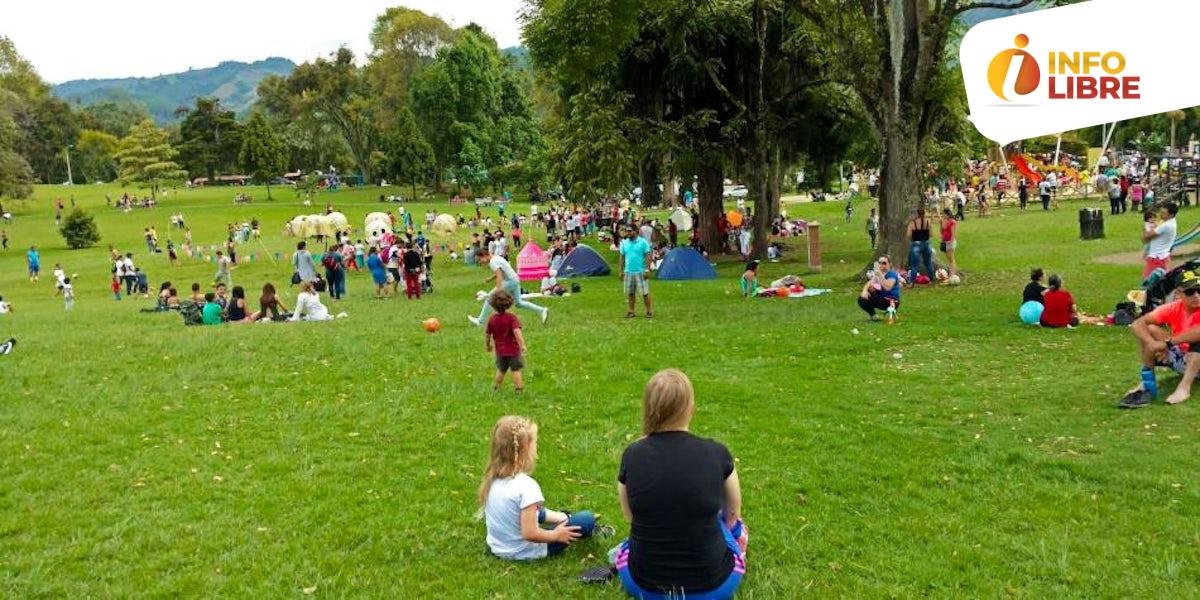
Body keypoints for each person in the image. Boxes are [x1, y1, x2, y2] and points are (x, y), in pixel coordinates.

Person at [616, 369, 747, 599]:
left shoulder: (632, 455)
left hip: (643, 585)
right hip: (715, 587)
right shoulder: (717, 452)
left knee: (633, 541)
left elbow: (630, 517)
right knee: (726, 523)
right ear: (690, 407)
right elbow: (733, 515)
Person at [1121, 269, 1200, 408]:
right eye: (1190, 292)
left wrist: (1167, 343)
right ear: (1178, 294)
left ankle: (1184, 388)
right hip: (1184, 358)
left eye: (1199, 290)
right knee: (1149, 329)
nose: (1197, 295)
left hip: (1194, 356)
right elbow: (1137, 323)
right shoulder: (1173, 308)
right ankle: (1147, 382)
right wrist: (1152, 344)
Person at [468, 247, 548, 326]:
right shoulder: (496, 257)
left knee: (489, 298)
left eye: (480, 259)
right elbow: (502, 270)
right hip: (515, 279)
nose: (480, 262)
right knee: (519, 303)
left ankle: (480, 321)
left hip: (510, 281)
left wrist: (498, 291)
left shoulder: (493, 262)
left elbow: (500, 277)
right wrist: (490, 279)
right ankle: (542, 310)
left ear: (484, 255)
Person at [485, 290, 526, 392]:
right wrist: (522, 345)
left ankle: (496, 387)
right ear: (509, 303)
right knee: (515, 370)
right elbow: (517, 332)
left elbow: (488, 334)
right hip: (513, 350)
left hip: (500, 351)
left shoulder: (492, 319)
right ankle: (519, 389)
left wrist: (487, 345)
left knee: (501, 370)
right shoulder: (512, 318)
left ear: (493, 305)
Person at [619, 226, 654, 319]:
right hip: (628, 272)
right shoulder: (624, 243)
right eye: (626, 231)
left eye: (630, 231)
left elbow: (648, 255)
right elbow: (622, 257)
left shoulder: (643, 242)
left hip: (640, 271)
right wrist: (620, 271)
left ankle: (649, 311)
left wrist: (647, 269)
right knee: (630, 293)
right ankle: (631, 311)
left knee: (644, 293)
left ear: (636, 231)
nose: (628, 233)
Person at [1143, 203, 1178, 280]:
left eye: (1164, 213)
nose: (1161, 215)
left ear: (1171, 215)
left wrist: (1147, 225)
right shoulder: (1172, 222)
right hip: (1163, 257)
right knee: (1161, 283)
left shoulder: (1166, 225)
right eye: (1161, 212)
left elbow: (1146, 236)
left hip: (1157, 258)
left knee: (1147, 282)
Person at [905, 208, 935, 282]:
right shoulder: (928, 222)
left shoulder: (912, 223)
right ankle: (932, 278)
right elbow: (931, 234)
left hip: (916, 244)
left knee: (914, 265)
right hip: (926, 244)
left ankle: (912, 281)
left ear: (917, 214)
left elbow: (908, 234)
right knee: (928, 263)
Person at [939, 208, 959, 277]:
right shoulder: (944, 221)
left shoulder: (952, 222)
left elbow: (953, 233)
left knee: (951, 259)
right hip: (944, 242)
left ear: (947, 214)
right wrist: (940, 224)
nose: (943, 215)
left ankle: (953, 274)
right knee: (948, 259)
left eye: (943, 214)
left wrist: (950, 242)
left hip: (950, 242)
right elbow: (942, 231)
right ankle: (951, 272)